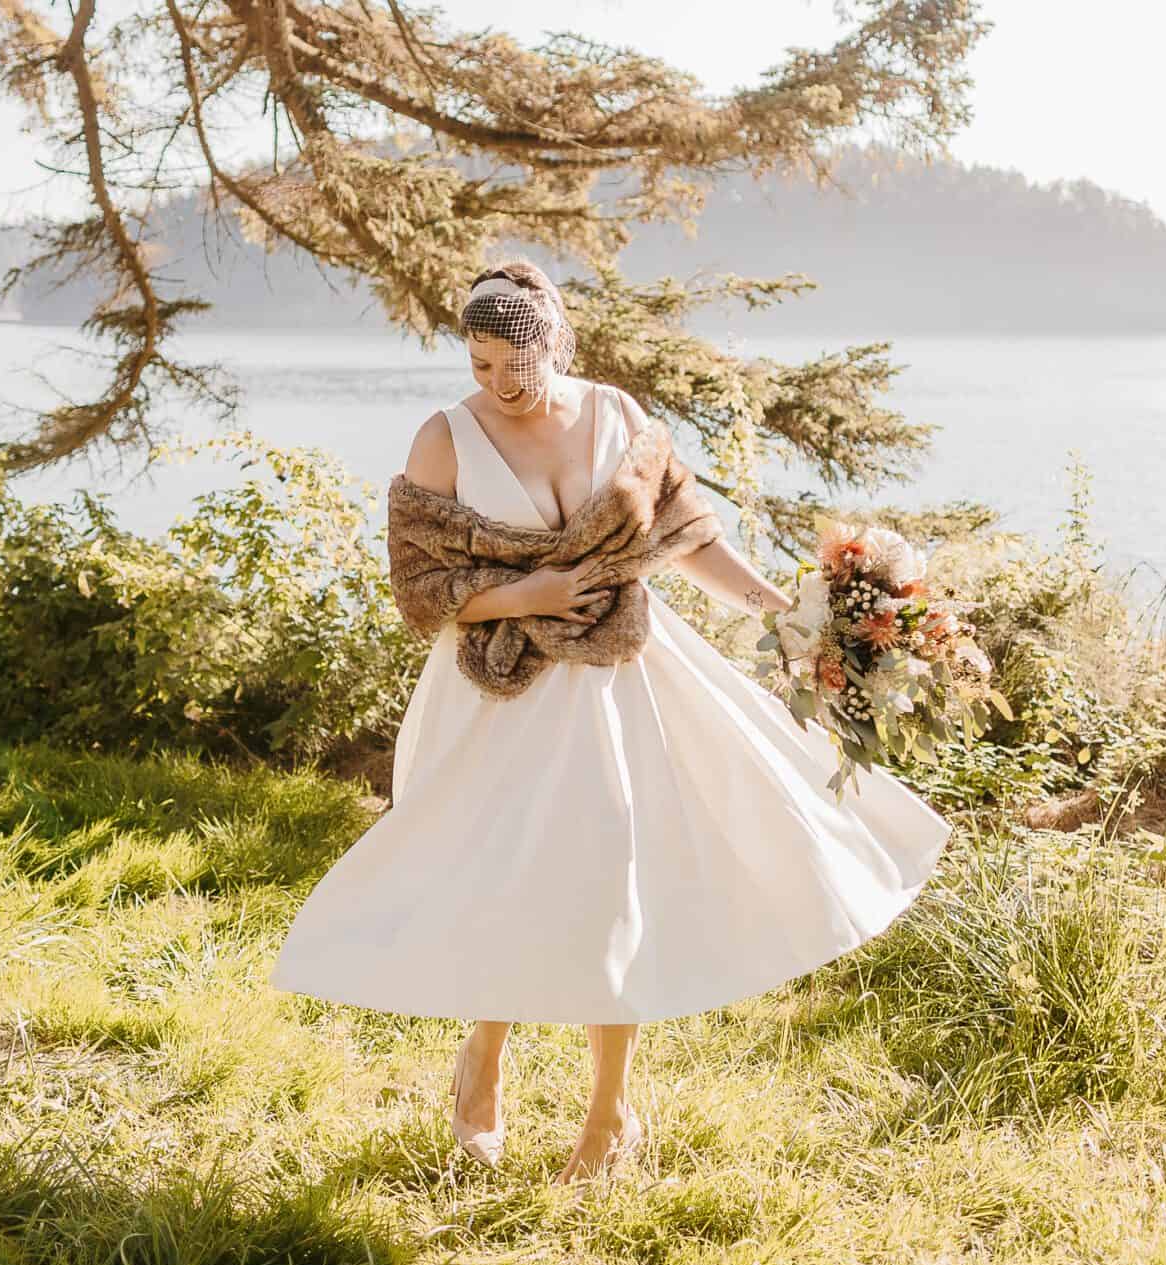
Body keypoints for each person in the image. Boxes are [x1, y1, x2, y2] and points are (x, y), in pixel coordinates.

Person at [269, 259, 950, 1184]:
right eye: (478, 366)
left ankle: (610, 1113)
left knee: (610, 872)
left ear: (554, 341)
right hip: (499, 687)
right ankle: (483, 1061)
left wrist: (783, 619)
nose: (499, 385)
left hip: (619, 677)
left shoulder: (618, 419)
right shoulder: (444, 440)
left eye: (516, 363)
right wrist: (527, 590)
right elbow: (422, 590)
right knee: (499, 872)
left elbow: (690, 539)